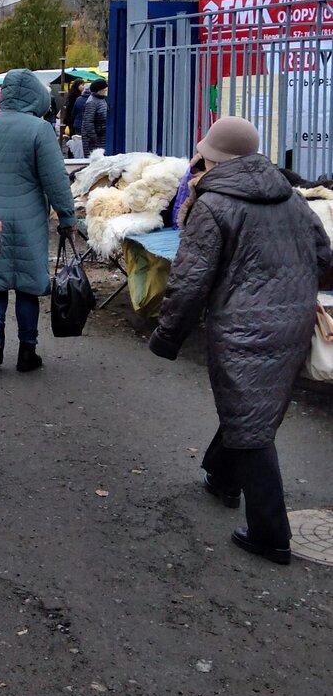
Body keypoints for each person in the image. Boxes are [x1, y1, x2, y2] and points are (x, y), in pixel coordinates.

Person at [149, 116, 332, 566]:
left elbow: (189, 282)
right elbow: (324, 255)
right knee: (252, 405)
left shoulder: (212, 205)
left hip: (243, 326)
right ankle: (222, 477)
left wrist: (167, 337)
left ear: (210, 156)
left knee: (250, 418)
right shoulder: (289, 194)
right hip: (292, 321)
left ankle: (272, 535)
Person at [0, 68, 76, 373]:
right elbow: (54, 178)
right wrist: (67, 216)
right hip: (28, 216)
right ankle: (27, 352)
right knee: (28, 287)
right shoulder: (39, 129)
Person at [82, 78, 109, 155]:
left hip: (101, 139)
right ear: (99, 90)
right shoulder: (92, 102)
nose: (105, 91)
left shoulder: (100, 100)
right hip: (94, 142)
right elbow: (88, 122)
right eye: (104, 89)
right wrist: (94, 139)